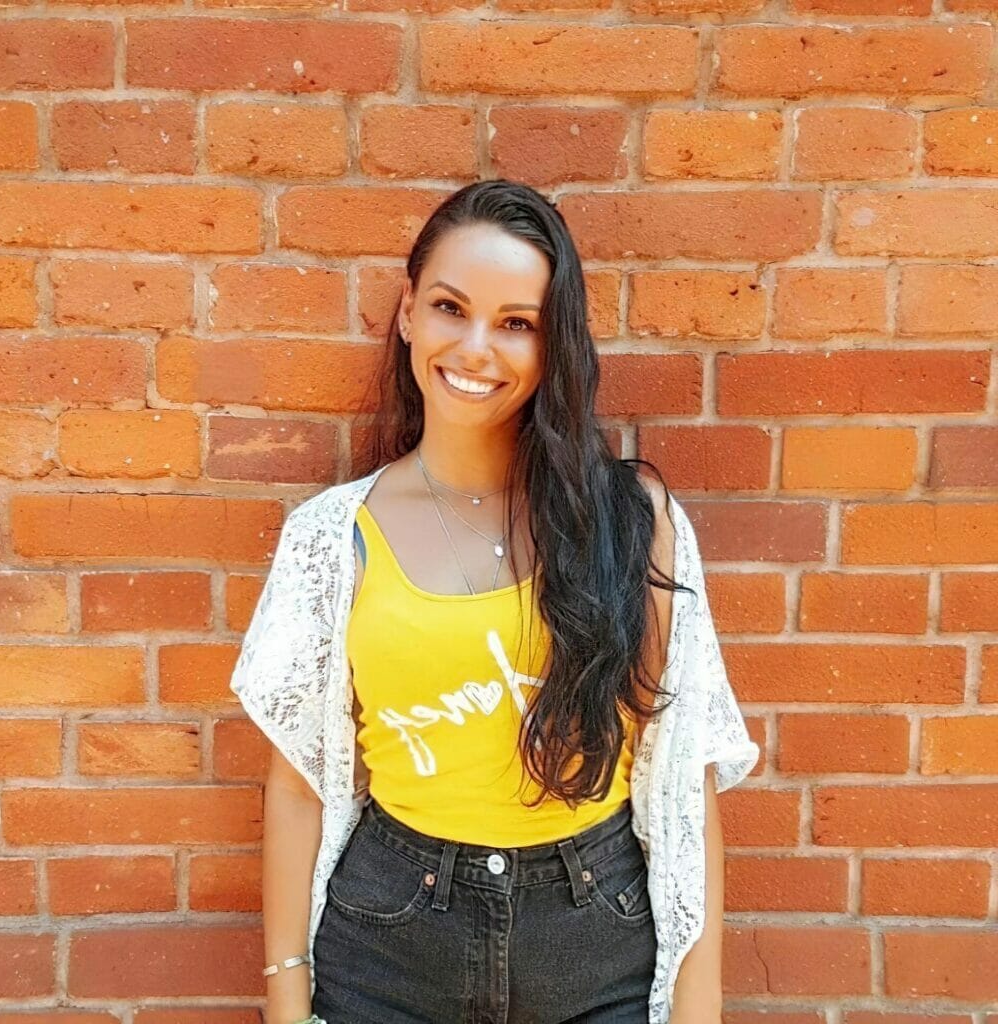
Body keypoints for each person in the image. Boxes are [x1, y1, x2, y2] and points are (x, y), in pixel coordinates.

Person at [229, 179, 759, 1024]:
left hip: (596, 937)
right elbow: (299, 788)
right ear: (407, 314)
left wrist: (699, 1006)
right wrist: (287, 999)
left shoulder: (630, 520)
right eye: (450, 307)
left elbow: (684, 768)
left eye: (517, 323)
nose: (476, 348)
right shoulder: (331, 538)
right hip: (391, 939)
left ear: (554, 346)